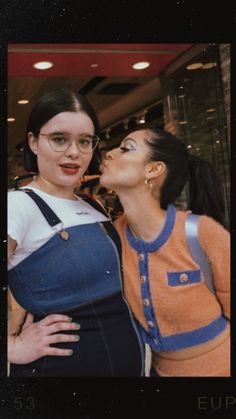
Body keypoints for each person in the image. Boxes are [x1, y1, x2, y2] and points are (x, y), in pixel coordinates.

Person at [7, 89, 144, 377]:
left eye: (84, 141)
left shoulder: (93, 205)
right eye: (59, 139)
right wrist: (12, 347)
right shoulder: (17, 205)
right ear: (33, 142)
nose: (74, 152)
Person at [99, 127, 230, 377]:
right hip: (158, 373)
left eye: (126, 148)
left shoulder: (201, 233)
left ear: (153, 169)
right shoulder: (113, 238)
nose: (109, 154)